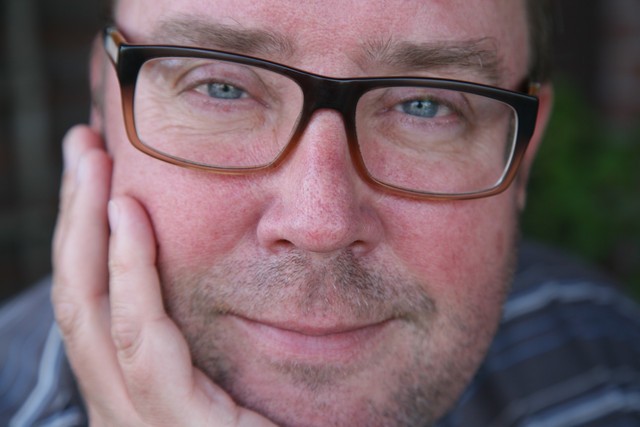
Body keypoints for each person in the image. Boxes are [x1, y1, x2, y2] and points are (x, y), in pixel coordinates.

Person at [1, 0, 639, 425]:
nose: (321, 223)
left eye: (425, 105)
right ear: (102, 101)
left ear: (523, 154)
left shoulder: (606, 361)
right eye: (221, 88)